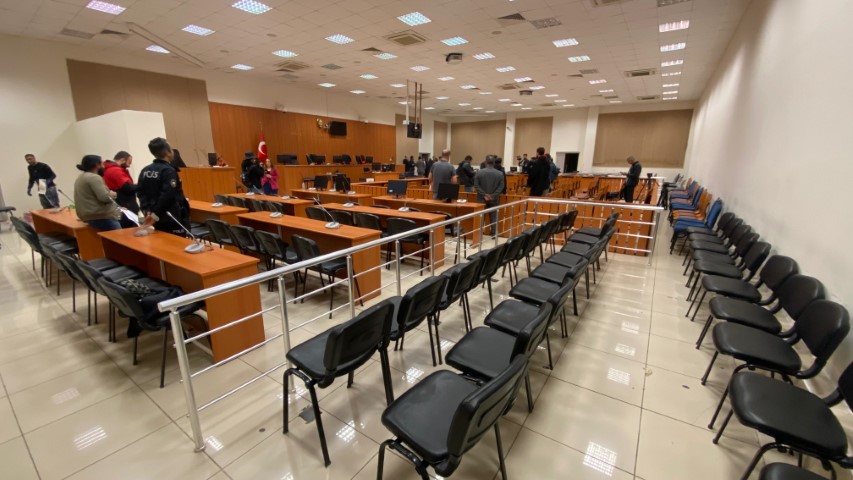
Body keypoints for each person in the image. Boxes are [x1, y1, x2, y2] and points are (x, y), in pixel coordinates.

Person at [137, 137, 191, 236]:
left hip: (153, 216)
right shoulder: (168, 171)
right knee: (176, 243)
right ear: (168, 152)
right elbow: (167, 195)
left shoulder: (145, 170)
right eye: (171, 149)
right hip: (170, 217)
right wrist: (155, 214)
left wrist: (147, 211)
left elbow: (140, 192)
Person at [73, 155, 122, 231]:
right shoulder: (94, 177)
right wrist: (113, 194)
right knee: (119, 237)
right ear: (97, 165)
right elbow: (105, 197)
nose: (104, 166)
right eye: (102, 164)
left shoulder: (81, 177)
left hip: (89, 216)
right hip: (102, 217)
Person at [103, 151, 140, 228]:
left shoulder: (108, 169)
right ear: (122, 160)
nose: (129, 166)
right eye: (129, 163)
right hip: (126, 206)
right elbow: (127, 187)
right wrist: (141, 185)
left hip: (118, 205)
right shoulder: (116, 170)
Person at [474, 157, 505, 237]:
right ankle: (494, 233)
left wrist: (484, 195)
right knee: (494, 216)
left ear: (486, 162)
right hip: (494, 199)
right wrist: (492, 195)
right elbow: (501, 187)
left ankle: (479, 234)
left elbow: (476, 185)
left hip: (481, 198)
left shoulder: (479, 172)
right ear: (494, 163)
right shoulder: (500, 173)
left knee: (481, 216)